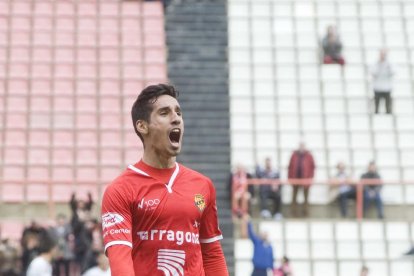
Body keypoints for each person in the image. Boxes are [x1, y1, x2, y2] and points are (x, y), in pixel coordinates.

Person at [101, 84, 228, 275]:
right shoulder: (120, 190)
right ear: (142, 126)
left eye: (178, 112)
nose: (176, 118)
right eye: (164, 113)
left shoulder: (203, 185)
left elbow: (212, 253)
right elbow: (120, 260)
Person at [288, 142, 315, 217]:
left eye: (303, 146)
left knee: (306, 198)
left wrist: (310, 178)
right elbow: (290, 167)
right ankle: (293, 213)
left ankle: (305, 214)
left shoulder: (309, 155)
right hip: (295, 179)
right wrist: (290, 178)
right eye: (300, 146)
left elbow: (312, 167)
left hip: (305, 180)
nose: (301, 148)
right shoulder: (294, 155)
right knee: (294, 197)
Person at [371, 49, 395, 114]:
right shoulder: (376, 63)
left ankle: (388, 115)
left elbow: (393, 72)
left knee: (388, 106)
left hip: (387, 87)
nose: (382, 56)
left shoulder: (390, 64)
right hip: (377, 87)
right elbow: (373, 73)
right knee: (376, 105)